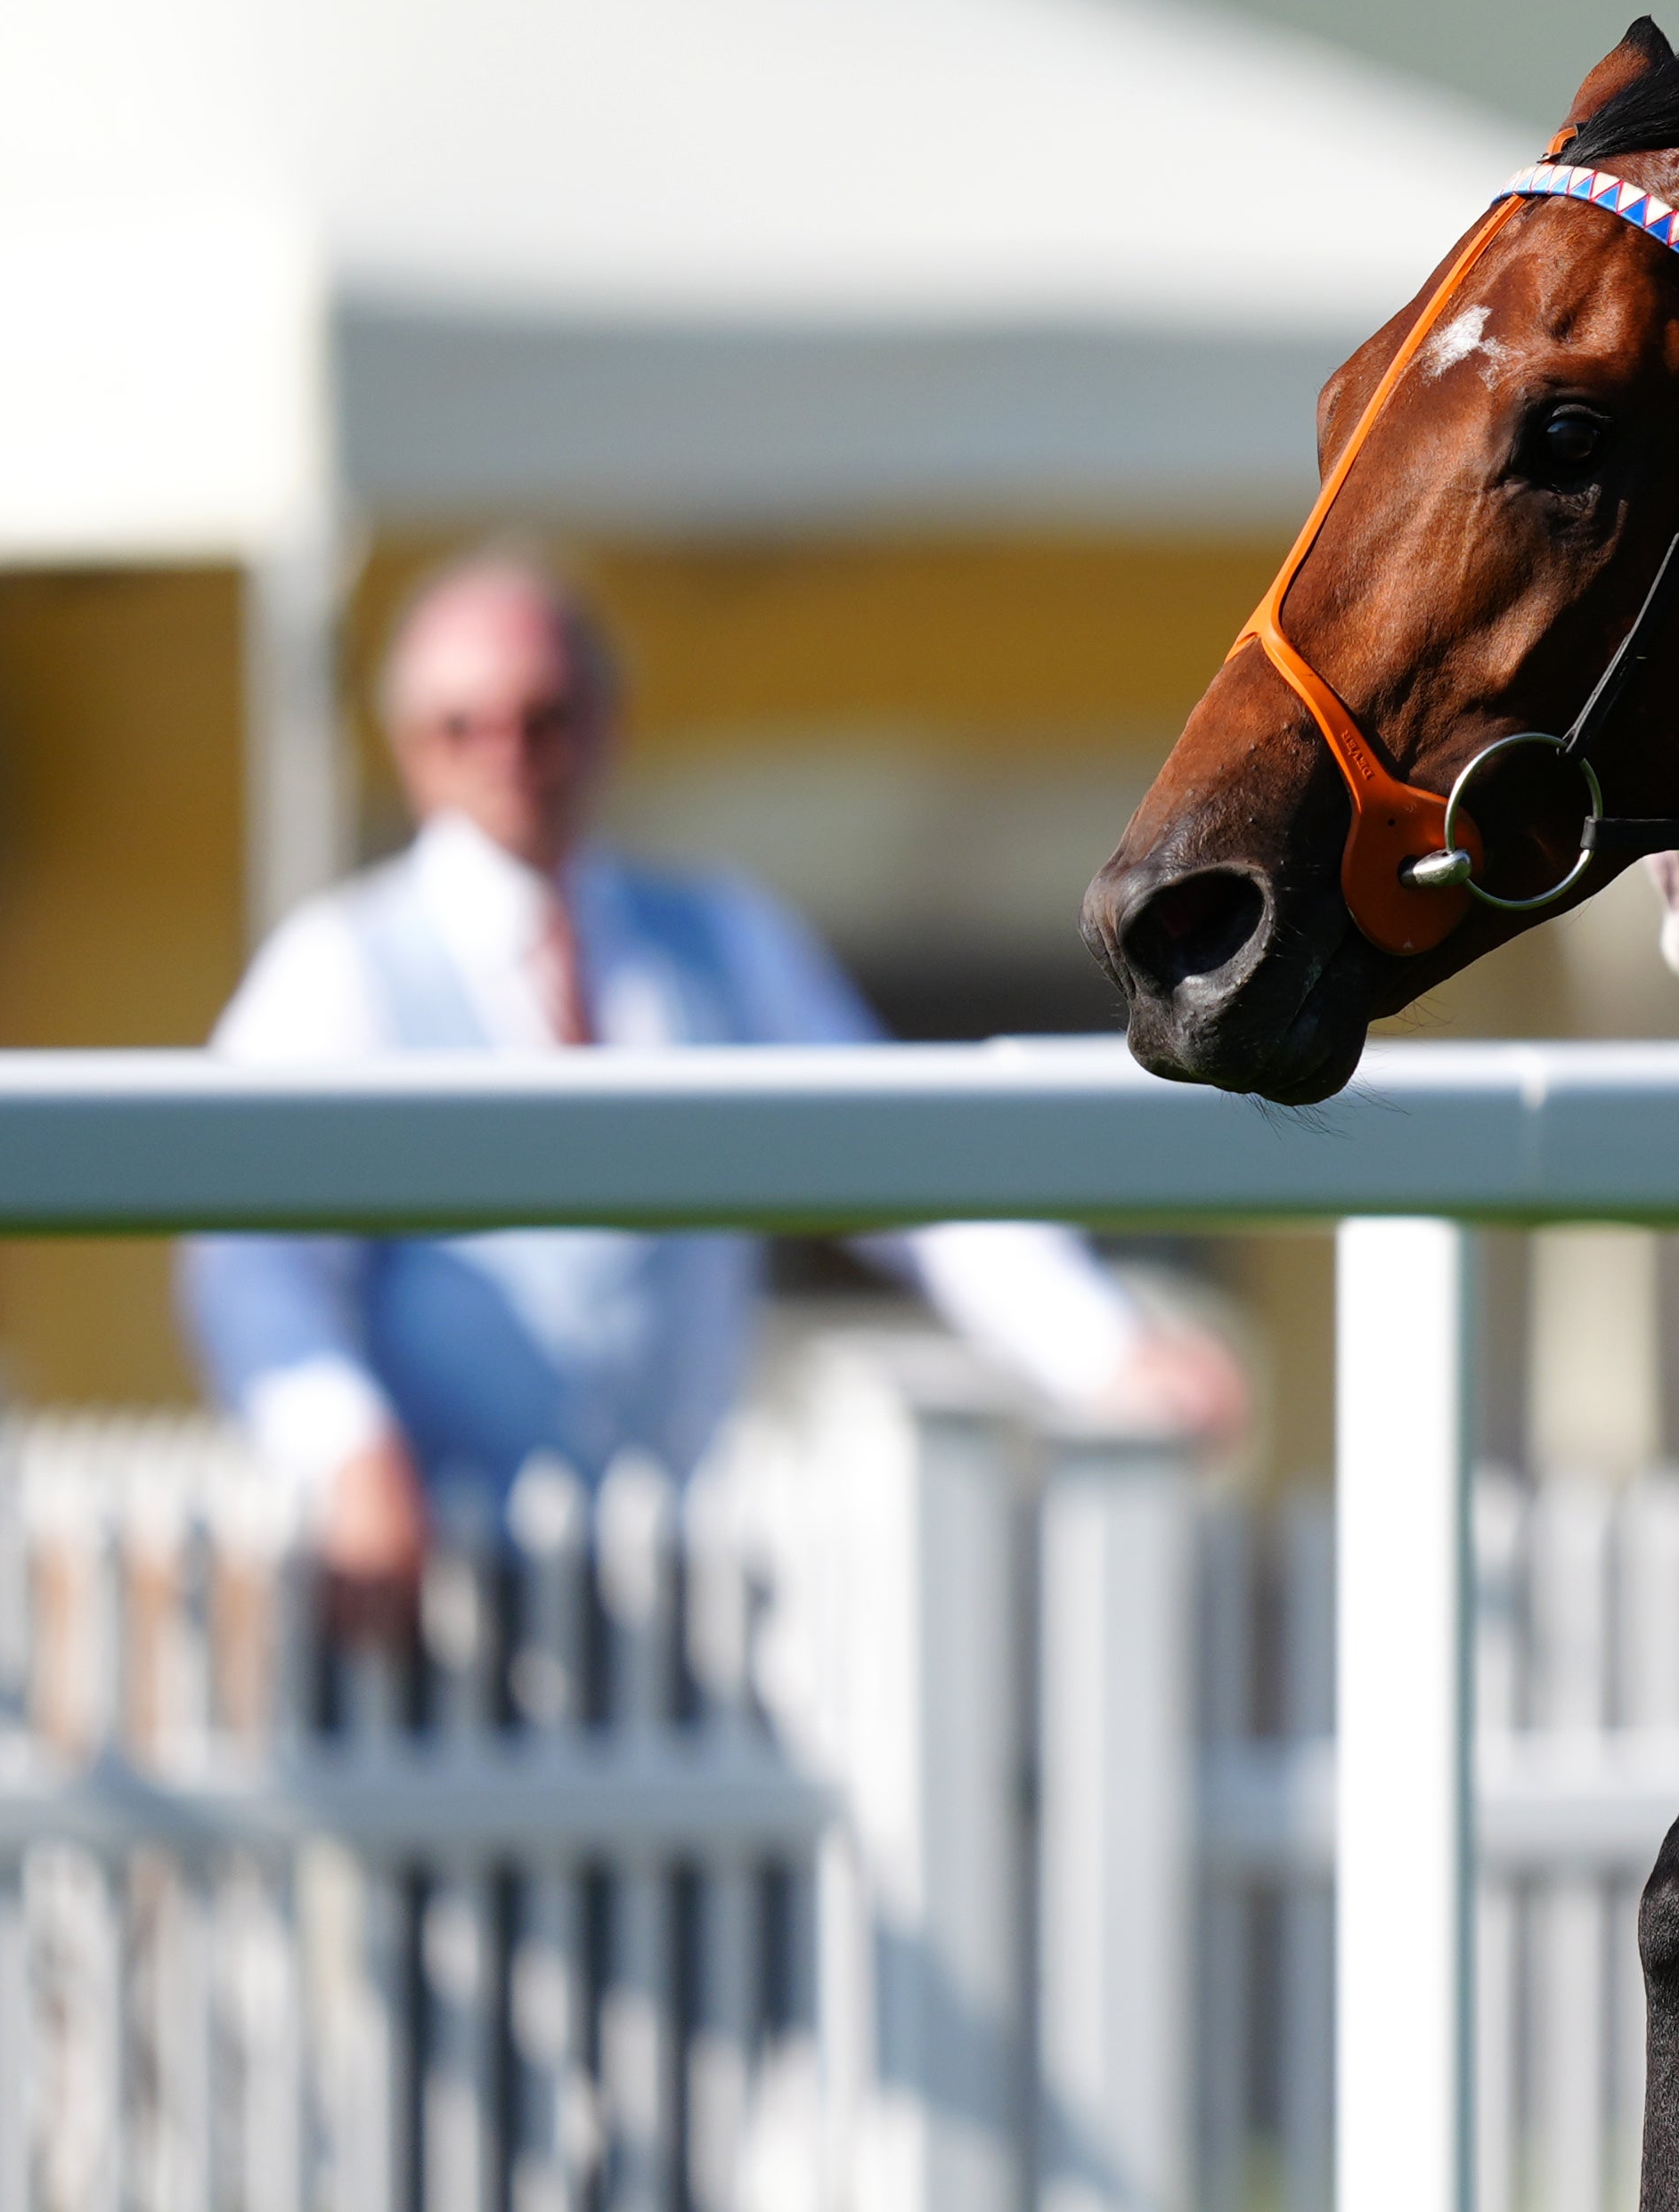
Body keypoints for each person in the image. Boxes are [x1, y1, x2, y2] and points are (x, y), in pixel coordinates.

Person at [181, 551, 1244, 1635]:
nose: (508, 756)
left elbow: (903, 1164)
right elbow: (249, 1262)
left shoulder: (717, 941)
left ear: (606, 724)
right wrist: (345, 1450)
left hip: (670, 1588)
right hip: (423, 1595)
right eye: (464, 725)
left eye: (543, 717)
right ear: (411, 749)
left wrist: (1105, 1346)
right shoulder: (338, 965)